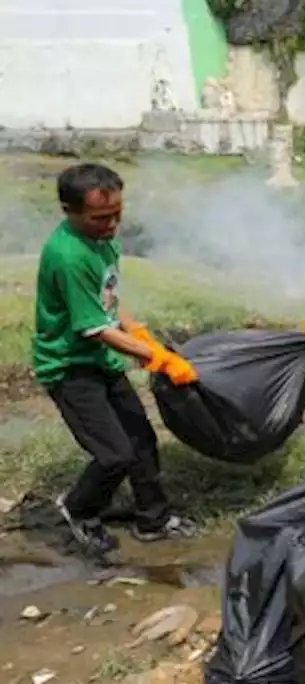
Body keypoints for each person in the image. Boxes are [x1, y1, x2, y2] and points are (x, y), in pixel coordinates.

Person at [32, 163, 201, 555]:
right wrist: (155, 357)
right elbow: (93, 328)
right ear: (69, 211)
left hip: (100, 360)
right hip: (70, 367)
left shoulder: (103, 240)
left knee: (141, 438)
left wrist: (137, 331)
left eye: (117, 215)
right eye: (100, 218)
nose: (111, 225)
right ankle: (80, 509)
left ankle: (154, 519)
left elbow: (107, 303)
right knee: (113, 454)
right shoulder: (68, 256)